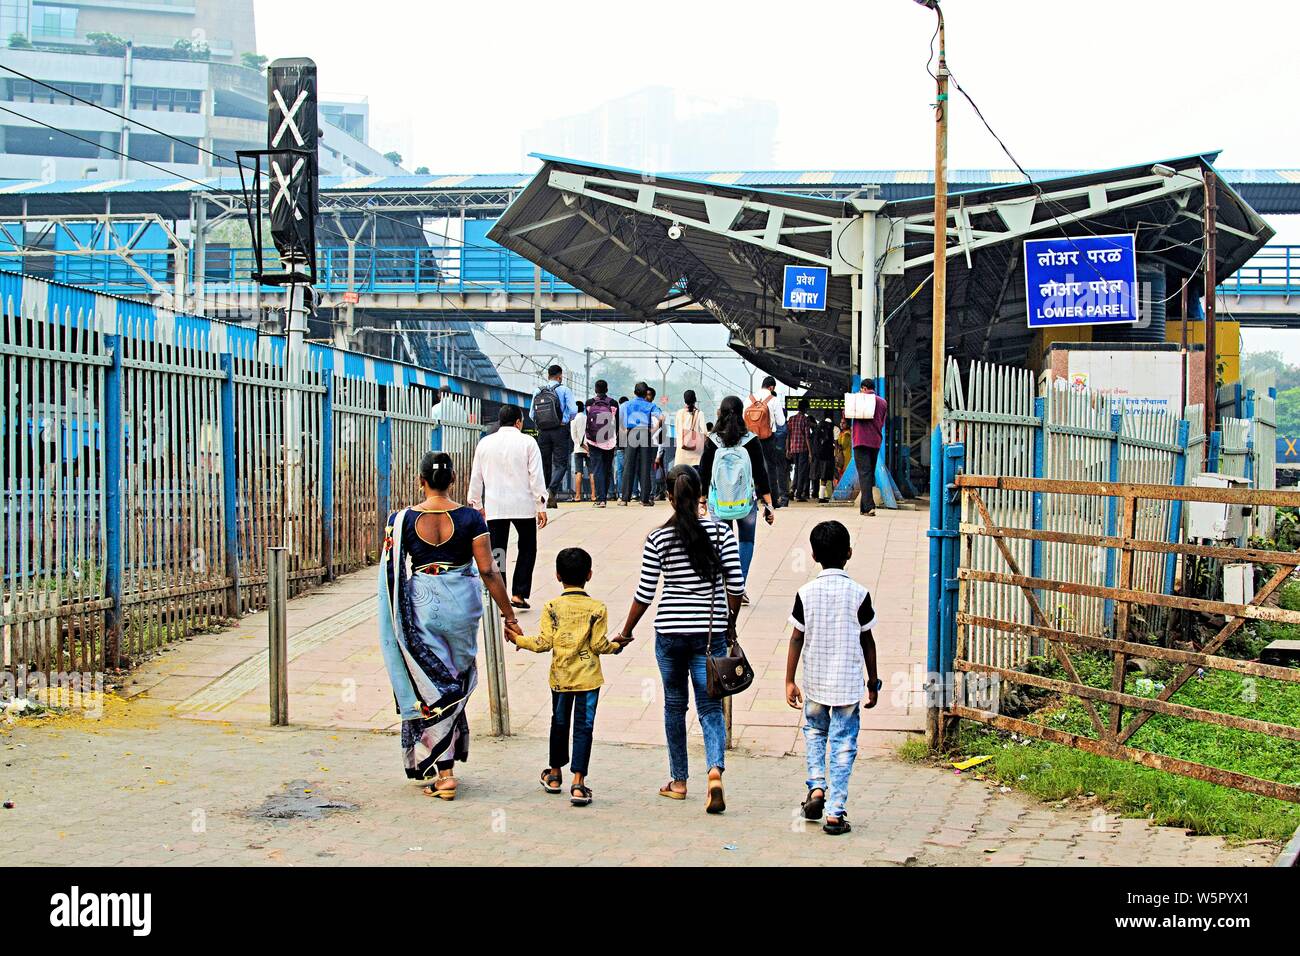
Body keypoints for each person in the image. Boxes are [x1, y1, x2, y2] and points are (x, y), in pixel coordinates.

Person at [378, 452, 522, 800]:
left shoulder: (402, 520)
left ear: (420, 480)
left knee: (433, 684)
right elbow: (489, 570)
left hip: (423, 606)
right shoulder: (472, 518)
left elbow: (390, 573)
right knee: (453, 679)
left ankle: (444, 773)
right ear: (453, 480)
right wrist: (509, 615)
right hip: (463, 605)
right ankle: (446, 763)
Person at [613, 465, 744, 813]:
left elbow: (644, 593)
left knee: (674, 705)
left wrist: (626, 632)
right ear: (702, 492)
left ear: (669, 497)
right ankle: (714, 771)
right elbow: (737, 586)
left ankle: (679, 781)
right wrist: (730, 622)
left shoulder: (658, 537)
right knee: (710, 706)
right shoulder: (721, 533)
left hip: (670, 631)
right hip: (709, 634)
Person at [507, 547, 627, 806]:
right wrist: (617, 645)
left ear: (558, 576)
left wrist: (518, 639)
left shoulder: (552, 607)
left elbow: (543, 642)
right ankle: (578, 783)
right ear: (590, 575)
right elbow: (598, 646)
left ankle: (554, 775)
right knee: (584, 727)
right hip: (589, 679)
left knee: (559, 724)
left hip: (560, 679)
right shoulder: (597, 608)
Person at [784, 520, 880, 835]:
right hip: (848, 685)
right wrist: (873, 682)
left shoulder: (804, 593)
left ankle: (816, 787)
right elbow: (868, 641)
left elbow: (796, 638)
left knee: (814, 734)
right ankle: (836, 812)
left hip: (814, 682)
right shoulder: (860, 594)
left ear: (813, 555)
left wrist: (789, 679)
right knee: (843, 744)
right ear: (849, 553)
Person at [468, 404, 548, 611]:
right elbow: (536, 476)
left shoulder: (485, 443)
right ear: (519, 422)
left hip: (495, 506)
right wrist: (541, 504)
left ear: (499, 422)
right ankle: (519, 593)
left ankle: (499, 593)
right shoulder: (528, 442)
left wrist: (476, 504)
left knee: (497, 550)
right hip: (523, 505)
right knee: (527, 548)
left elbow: (476, 476)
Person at [699, 395, 774, 602]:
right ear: (741, 414)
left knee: (722, 542)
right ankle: (738, 587)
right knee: (746, 541)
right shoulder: (751, 440)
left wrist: (702, 500)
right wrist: (769, 505)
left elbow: (704, 473)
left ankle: (724, 586)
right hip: (746, 503)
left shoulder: (712, 441)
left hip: (718, 502)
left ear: (720, 413)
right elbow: (761, 474)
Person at [531, 364, 578, 509]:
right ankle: (551, 490)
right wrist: (564, 420)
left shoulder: (538, 391)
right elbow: (573, 410)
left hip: (543, 432)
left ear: (548, 376)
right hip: (560, 430)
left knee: (544, 464)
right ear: (559, 376)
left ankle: (546, 498)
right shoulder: (564, 390)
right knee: (561, 464)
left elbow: (532, 414)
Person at [844, 379, 888, 517]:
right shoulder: (882, 402)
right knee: (869, 472)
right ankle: (864, 508)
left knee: (864, 473)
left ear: (863, 388)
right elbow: (882, 421)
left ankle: (869, 507)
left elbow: (846, 415)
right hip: (875, 441)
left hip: (860, 441)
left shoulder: (858, 400)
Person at [747, 376, 789, 508]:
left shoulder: (749, 399)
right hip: (767, 438)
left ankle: (752, 500)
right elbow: (781, 422)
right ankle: (772, 500)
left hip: (750, 438)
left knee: (751, 468)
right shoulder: (774, 400)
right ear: (771, 387)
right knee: (770, 469)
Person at [620, 382, 659, 507]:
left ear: (634, 392)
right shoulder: (651, 405)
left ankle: (625, 498)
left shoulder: (626, 405)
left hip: (631, 433)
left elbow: (621, 421)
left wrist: (626, 430)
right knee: (645, 466)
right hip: (645, 433)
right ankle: (644, 499)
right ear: (645, 393)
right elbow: (661, 417)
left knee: (628, 466)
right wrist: (653, 429)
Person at [585, 380, 619, 507]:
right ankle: (604, 497)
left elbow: (589, 420)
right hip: (609, 440)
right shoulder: (613, 403)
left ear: (595, 389)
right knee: (606, 468)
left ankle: (601, 499)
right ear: (607, 389)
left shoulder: (589, 403)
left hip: (593, 440)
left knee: (597, 469)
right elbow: (617, 422)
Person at [786, 398, 813, 502]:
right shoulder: (805, 420)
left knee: (797, 470)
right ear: (805, 409)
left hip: (793, 448)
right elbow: (807, 437)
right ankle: (799, 494)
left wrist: (787, 449)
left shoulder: (791, 419)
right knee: (801, 471)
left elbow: (788, 435)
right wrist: (810, 453)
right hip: (802, 448)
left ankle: (792, 490)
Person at [674, 389, 706, 471]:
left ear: (684, 400)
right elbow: (704, 433)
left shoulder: (679, 413)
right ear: (695, 399)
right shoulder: (699, 414)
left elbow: (677, 431)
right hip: (695, 456)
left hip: (681, 454)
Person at [811, 412, 839, 503]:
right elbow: (836, 443)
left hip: (818, 455)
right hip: (828, 455)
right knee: (828, 476)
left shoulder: (819, 426)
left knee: (819, 476)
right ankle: (823, 497)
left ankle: (819, 495)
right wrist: (837, 455)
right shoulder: (834, 428)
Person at [570, 401, 594, 502]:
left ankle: (578, 496)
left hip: (578, 449)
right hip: (589, 448)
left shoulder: (573, 420)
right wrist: (587, 447)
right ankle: (594, 496)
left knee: (578, 472)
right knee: (592, 472)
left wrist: (581, 445)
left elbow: (573, 436)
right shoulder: (588, 418)